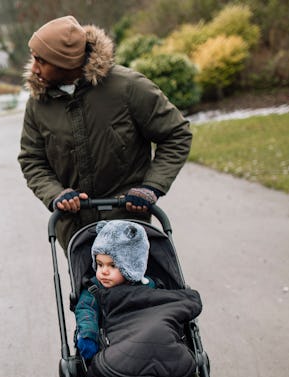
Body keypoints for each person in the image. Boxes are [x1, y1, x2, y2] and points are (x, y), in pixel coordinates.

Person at [18, 15, 193, 249]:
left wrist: (151, 186)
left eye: (41, 61)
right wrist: (56, 194)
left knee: (138, 284)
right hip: (75, 232)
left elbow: (176, 134)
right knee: (87, 287)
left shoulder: (128, 87)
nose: (34, 68)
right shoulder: (39, 104)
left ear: (66, 63)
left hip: (129, 224)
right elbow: (32, 160)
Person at [74, 220, 153, 360]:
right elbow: (86, 310)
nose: (104, 271)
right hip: (107, 346)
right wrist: (88, 335)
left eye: (112, 266)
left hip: (144, 341)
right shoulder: (94, 289)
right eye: (99, 264)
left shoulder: (147, 287)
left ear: (131, 266)